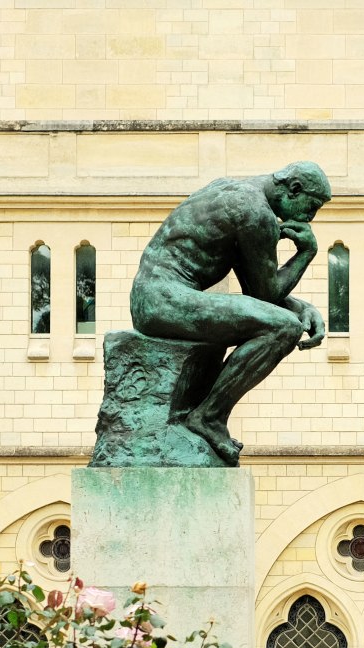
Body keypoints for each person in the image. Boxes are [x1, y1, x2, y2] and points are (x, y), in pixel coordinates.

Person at [130, 160, 331, 464]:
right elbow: (266, 295)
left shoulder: (233, 189)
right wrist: (306, 253)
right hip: (163, 300)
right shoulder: (255, 212)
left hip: (155, 295)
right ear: (294, 189)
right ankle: (209, 417)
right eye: (311, 207)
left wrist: (302, 306)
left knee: (282, 321)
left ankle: (205, 415)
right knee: (283, 329)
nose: (310, 218)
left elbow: (256, 290)